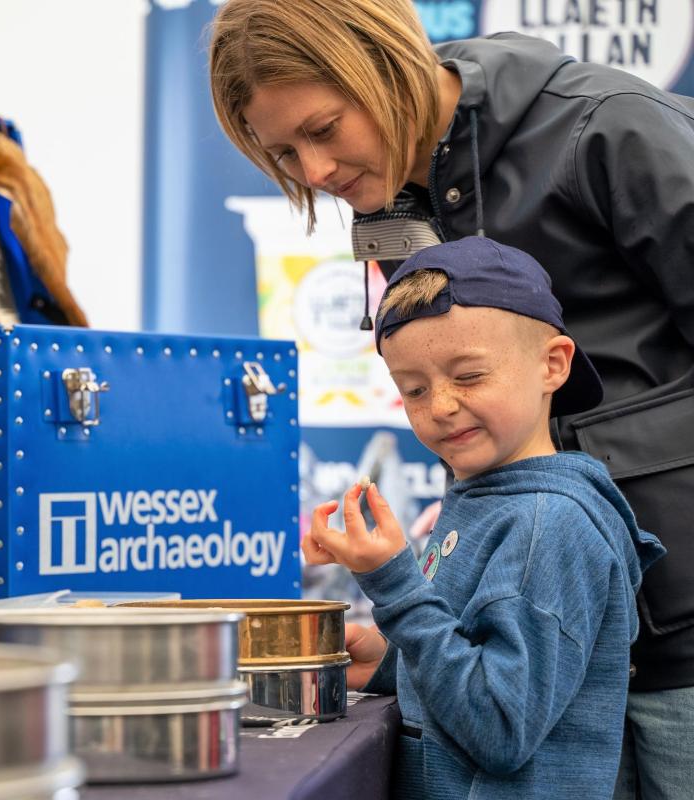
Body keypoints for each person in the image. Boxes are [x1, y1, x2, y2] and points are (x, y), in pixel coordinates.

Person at [208, 2, 694, 795]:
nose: (318, 172)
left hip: (679, 648)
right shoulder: (395, 199)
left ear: (386, 62)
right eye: (286, 153)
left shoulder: (607, 130)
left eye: (325, 129)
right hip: (560, 666)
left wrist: (565, 494)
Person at [303, 236, 663, 799]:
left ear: (553, 364)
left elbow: (498, 726)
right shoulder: (483, 497)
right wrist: (389, 655)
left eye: (468, 376)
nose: (440, 406)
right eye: (414, 390)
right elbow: (465, 663)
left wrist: (397, 589)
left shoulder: (549, 525)